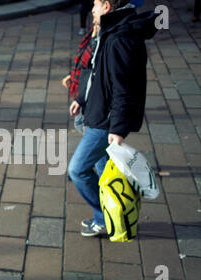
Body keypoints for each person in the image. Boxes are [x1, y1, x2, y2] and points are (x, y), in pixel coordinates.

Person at [66, 0, 158, 237]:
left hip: (105, 121)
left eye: (96, 4)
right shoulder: (111, 31)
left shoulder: (119, 39)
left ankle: (107, 215)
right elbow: (97, 73)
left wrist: (116, 130)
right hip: (97, 111)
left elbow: (123, 90)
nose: (92, 9)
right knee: (101, 166)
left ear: (107, 6)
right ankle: (112, 214)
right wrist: (83, 99)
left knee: (77, 169)